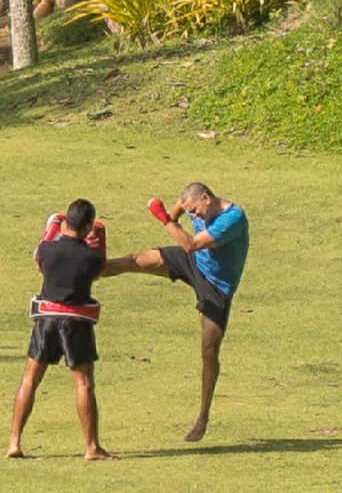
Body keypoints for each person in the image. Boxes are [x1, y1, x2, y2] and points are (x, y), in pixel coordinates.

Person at [101, 182, 249, 442]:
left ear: (207, 198)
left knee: (209, 350)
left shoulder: (232, 219)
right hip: (192, 261)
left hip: (216, 285)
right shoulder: (192, 202)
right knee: (137, 260)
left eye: (195, 211)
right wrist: (173, 216)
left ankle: (203, 417)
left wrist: (164, 220)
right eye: (190, 212)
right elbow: (182, 208)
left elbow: (191, 244)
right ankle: (90, 271)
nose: (193, 216)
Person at [6, 198, 114, 461]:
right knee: (84, 384)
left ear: (66, 221)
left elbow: (38, 260)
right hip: (76, 323)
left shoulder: (46, 249)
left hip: (46, 321)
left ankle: (14, 442)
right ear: (88, 226)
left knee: (30, 380)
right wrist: (99, 239)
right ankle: (91, 447)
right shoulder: (90, 257)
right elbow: (99, 269)